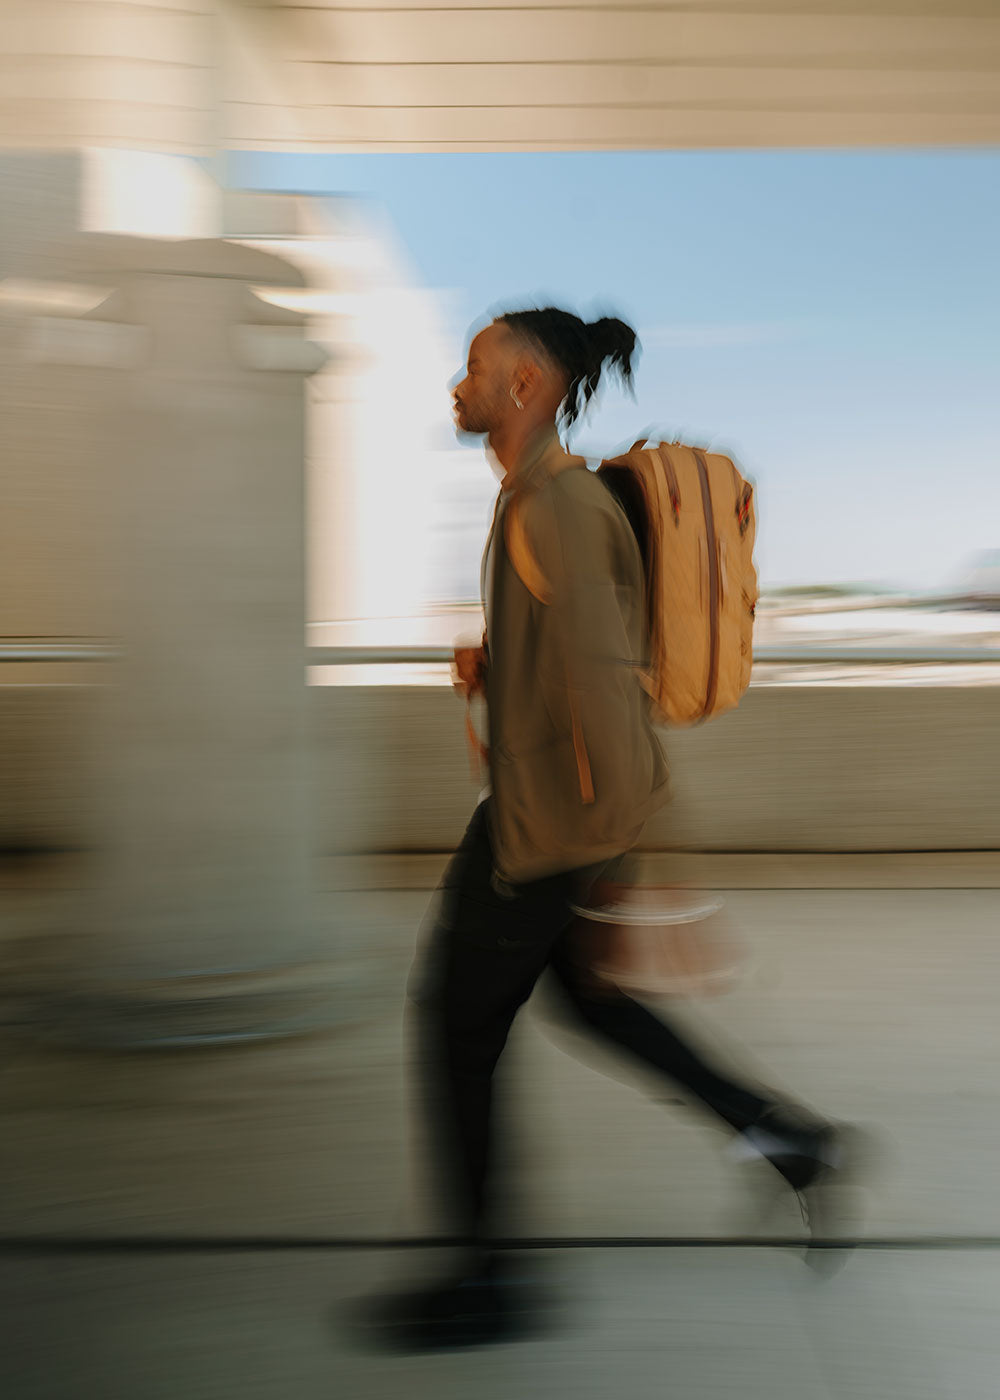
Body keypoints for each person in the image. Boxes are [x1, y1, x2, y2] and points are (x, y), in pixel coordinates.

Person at [368, 307, 855, 1351]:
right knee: (595, 1013)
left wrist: (634, 880)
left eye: (475, 370)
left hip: (540, 835)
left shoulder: (557, 508)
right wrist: (499, 668)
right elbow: (575, 666)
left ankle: (486, 1281)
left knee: (452, 1031)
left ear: (527, 386)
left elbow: (609, 699)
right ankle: (792, 1143)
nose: (456, 386)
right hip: (552, 823)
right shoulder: (539, 501)